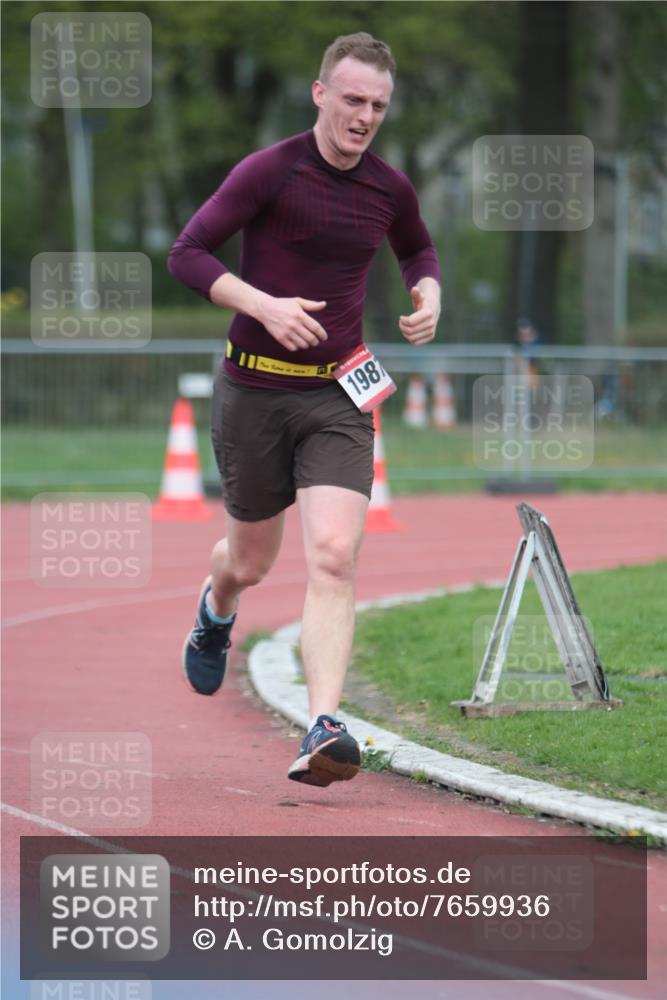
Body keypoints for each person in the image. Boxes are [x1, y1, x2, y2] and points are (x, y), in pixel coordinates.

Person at [168, 32, 441, 788]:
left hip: (339, 393)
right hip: (254, 388)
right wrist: (264, 305)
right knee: (250, 562)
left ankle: (322, 724)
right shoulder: (270, 170)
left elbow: (417, 250)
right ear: (319, 94)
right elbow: (187, 253)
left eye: (378, 106)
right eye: (352, 100)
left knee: (332, 554)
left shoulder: (390, 187)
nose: (364, 117)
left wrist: (430, 294)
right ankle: (215, 607)